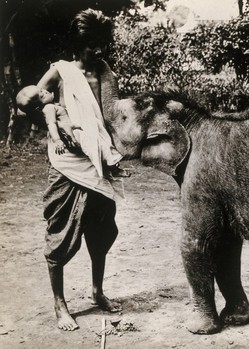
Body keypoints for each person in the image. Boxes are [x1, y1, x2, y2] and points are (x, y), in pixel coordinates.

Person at [29, 9, 126, 331]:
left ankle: (97, 290)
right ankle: (60, 303)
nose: (98, 51)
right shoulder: (60, 71)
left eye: (102, 44)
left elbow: (111, 118)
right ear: (78, 43)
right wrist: (55, 120)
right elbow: (30, 101)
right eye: (91, 45)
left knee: (103, 232)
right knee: (61, 234)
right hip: (68, 164)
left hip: (99, 163)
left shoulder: (107, 74)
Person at [16, 85, 129, 177]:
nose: (45, 92)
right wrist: (57, 140)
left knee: (98, 146)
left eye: (42, 90)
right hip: (75, 134)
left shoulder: (52, 106)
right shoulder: (49, 109)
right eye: (42, 96)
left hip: (76, 131)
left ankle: (109, 167)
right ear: (38, 106)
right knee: (99, 147)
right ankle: (113, 169)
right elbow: (52, 124)